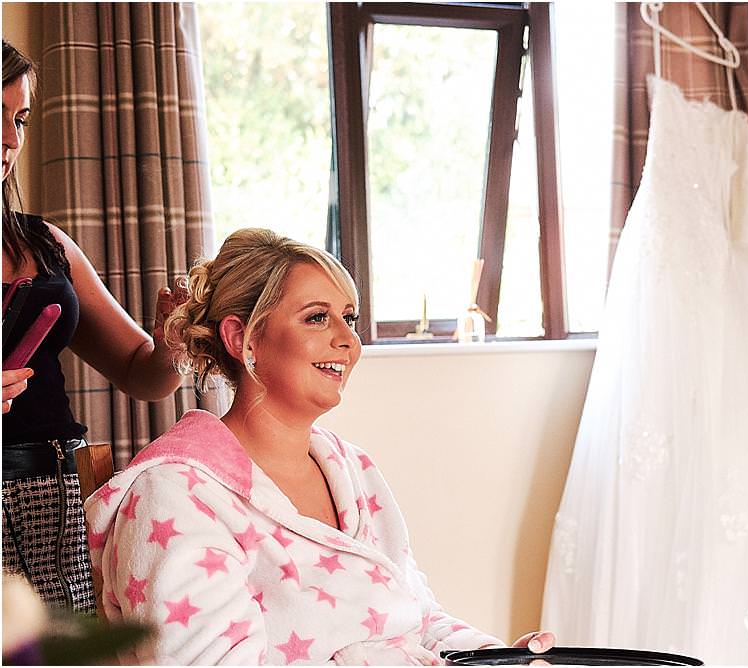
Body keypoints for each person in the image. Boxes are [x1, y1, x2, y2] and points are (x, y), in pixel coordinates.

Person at [84, 228, 555, 665]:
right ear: (240, 339)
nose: (348, 340)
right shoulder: (176, 496)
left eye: (348, 318)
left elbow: (413, 615)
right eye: (316, 318)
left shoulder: (351, 468)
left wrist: (494, 657)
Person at [2, 38, 187, 613]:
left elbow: (144, 375)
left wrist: (170, 345)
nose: (11, 141)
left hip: (60, 502)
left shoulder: (46, 244)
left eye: (20, 118)